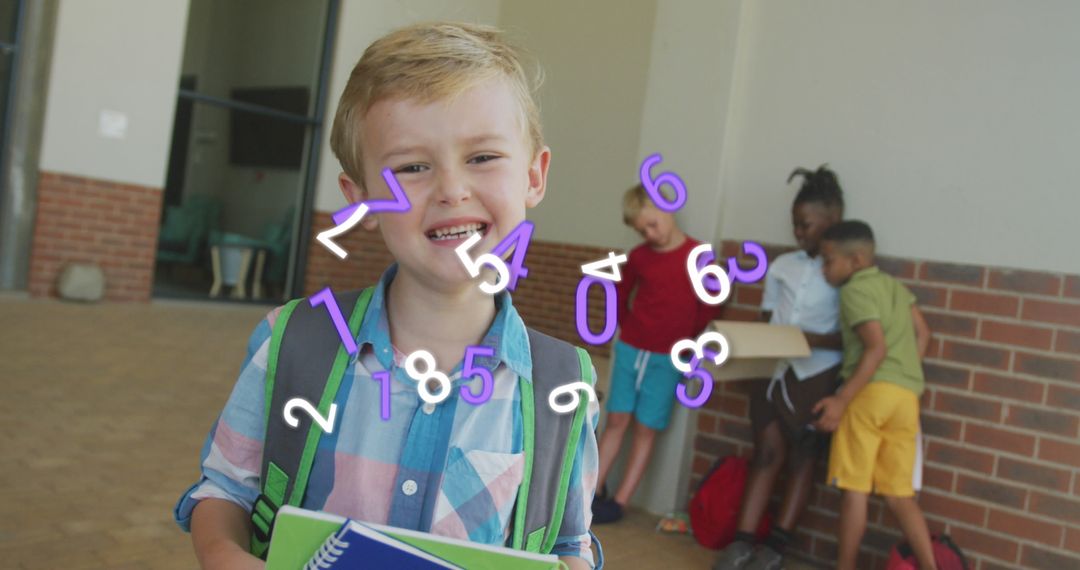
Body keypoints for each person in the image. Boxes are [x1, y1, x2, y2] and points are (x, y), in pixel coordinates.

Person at [173, 23, 599, 570]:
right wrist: (223, 554)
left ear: (534, 176)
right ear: (361, 200)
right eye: (412, 168)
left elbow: (567, 545)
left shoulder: (563, 386)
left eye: (483, 157)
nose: (451, 189)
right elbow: (226, 490)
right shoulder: (294, 341)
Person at [714, 166, 845, 570]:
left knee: (803, 458)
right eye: (795, 225)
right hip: (774, 372)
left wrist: (805, 339)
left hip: (816, 376)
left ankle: (775, 549)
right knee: (767, 452)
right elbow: (767, 319)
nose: (798, 232)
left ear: (833, 219)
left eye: (806, 224)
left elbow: (851, 337)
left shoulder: (845, 273)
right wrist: (738, 346)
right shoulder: (782, 267)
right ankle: (742, 542)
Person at [592, 184, 720, 524]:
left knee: (646, 428)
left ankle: (619, 501)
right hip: (632, 348)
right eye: (642, 230)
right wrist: (627, 327)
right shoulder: (639, 257)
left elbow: (709, 304)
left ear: (669, 210)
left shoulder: (699, 255)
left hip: (668, 358)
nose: (649, 234)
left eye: (652, 225)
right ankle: (590, 492)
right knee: (617, 419)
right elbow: (620, 294)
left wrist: (686, 339)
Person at [815, 220, 935, 570]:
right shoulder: (896, 287)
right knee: (900, 494)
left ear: (856, 260)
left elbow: (875, 349)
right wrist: (904, 373)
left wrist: (841, 399)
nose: (824, 269)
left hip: (869, 395)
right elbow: (923, 334)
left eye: (828, 260)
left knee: (855, 488)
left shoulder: (853, 291)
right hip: (906, 398)